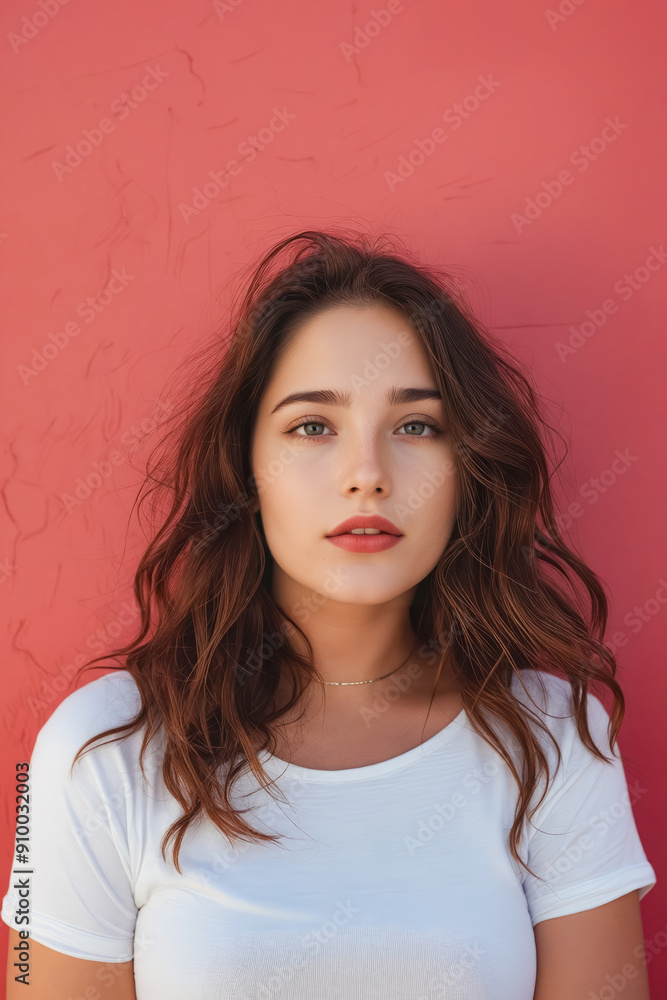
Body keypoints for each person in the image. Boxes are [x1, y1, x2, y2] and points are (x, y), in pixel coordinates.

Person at [2, 229, 657, 999]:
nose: (367, 476)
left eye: (416, 425)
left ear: (466, 470)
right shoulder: (95, 751)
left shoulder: (554, 738)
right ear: (247, 465)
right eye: (312, 426)